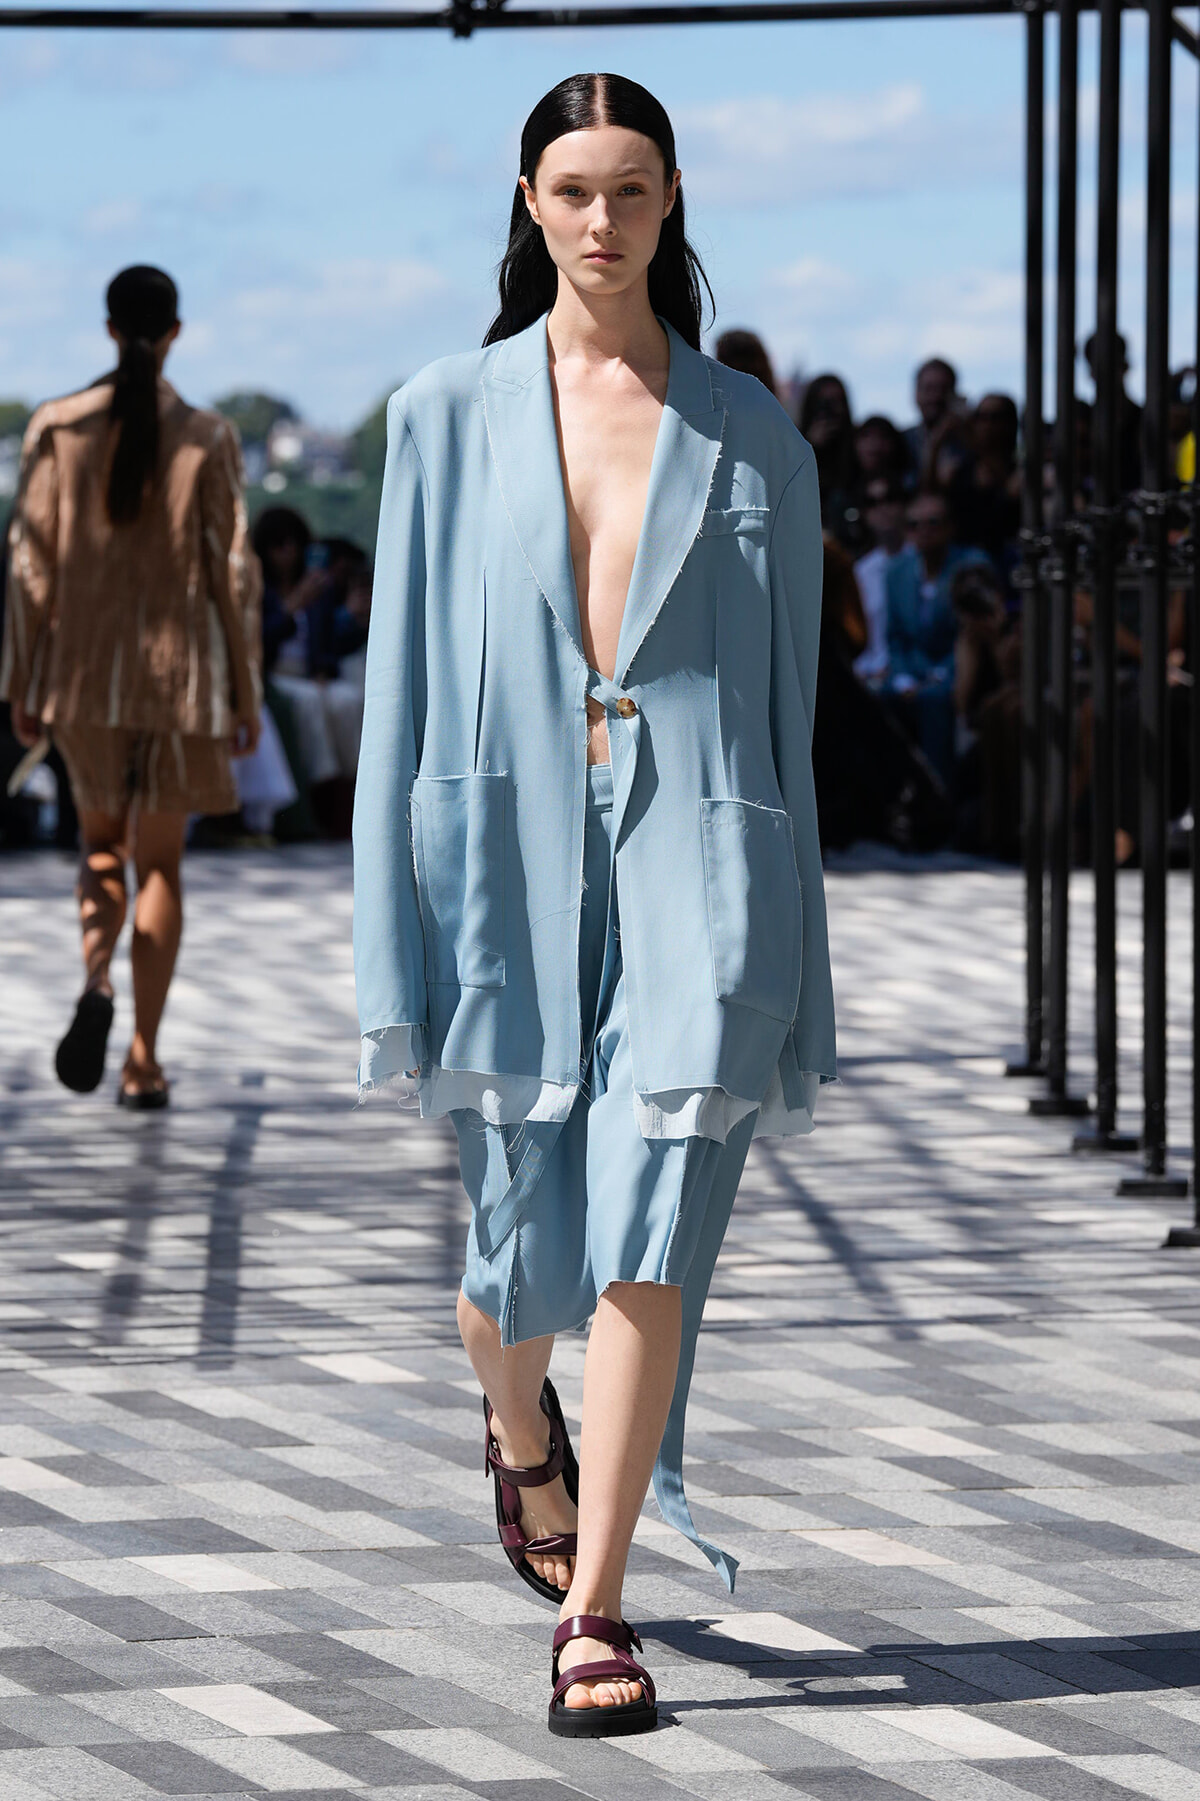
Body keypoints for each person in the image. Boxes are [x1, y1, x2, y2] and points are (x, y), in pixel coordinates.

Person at [353, 72, 834, 1738]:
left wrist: (806, 952)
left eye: (630, 191)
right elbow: (405, 688)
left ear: (674, 198)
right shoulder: (440, 417)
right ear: (528, 202)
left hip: (708, 854)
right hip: (504, 856)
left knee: (655, 1218)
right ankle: (518, 1424)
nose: (603, 222)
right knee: (509, 1255)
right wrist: (388, 935)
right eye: (573, 190)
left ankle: (595, 1600)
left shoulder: (752, 431)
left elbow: (791, 710)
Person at [2, 265, 260, 1105]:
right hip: (182, 684)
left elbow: (29, 567)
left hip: (79, 677)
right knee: (160, 866)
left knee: (99, 847)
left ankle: (96, 981)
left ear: (110, 329)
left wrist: (22, 673)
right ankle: (143, 1059)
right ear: (175, 332)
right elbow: (234, 573)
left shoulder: (57, 427)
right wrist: (245, 689)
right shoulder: (210, 436)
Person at [253, 508, 365, 838]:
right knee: (310, 706)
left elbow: (329, 641)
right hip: (274, 674)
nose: (286, 554)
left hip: (311, 675)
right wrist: (292, 607)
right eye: (279, 546)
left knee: (349, 701)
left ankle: (354, 781)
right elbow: (260, 640)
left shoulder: (319, 588)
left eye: (292, 545)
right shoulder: (259, 589)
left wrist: (324, 668)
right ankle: (325, 792)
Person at [885, 489, 988, 781]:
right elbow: (896, 638)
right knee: (881, 697)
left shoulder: (971, 567)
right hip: (913, 671)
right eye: (914, 524)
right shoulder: (896, 572)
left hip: (955, 672)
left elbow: (972, 635)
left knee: (933, 700)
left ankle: (939, 790)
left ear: (950, 527)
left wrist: (939, 675)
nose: (924, 531)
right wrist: (902, 676)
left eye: (933, 522)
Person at [799, 373, 862, 551]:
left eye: (836, 401)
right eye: (823, 402)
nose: (830, 410)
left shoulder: (858, 444)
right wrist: (810, 447)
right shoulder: (795, 446)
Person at [853, 474, 907, 681]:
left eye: (890, 499)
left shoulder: (922, 561)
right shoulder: (861, 571)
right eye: (872, 503)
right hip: (870, 674)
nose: (882, 508)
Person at [903, 356, 962, 488]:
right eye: (928, 389)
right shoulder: (902, 442)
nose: (935, 396)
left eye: (943, 389)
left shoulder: (967, 442)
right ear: (916, 394)